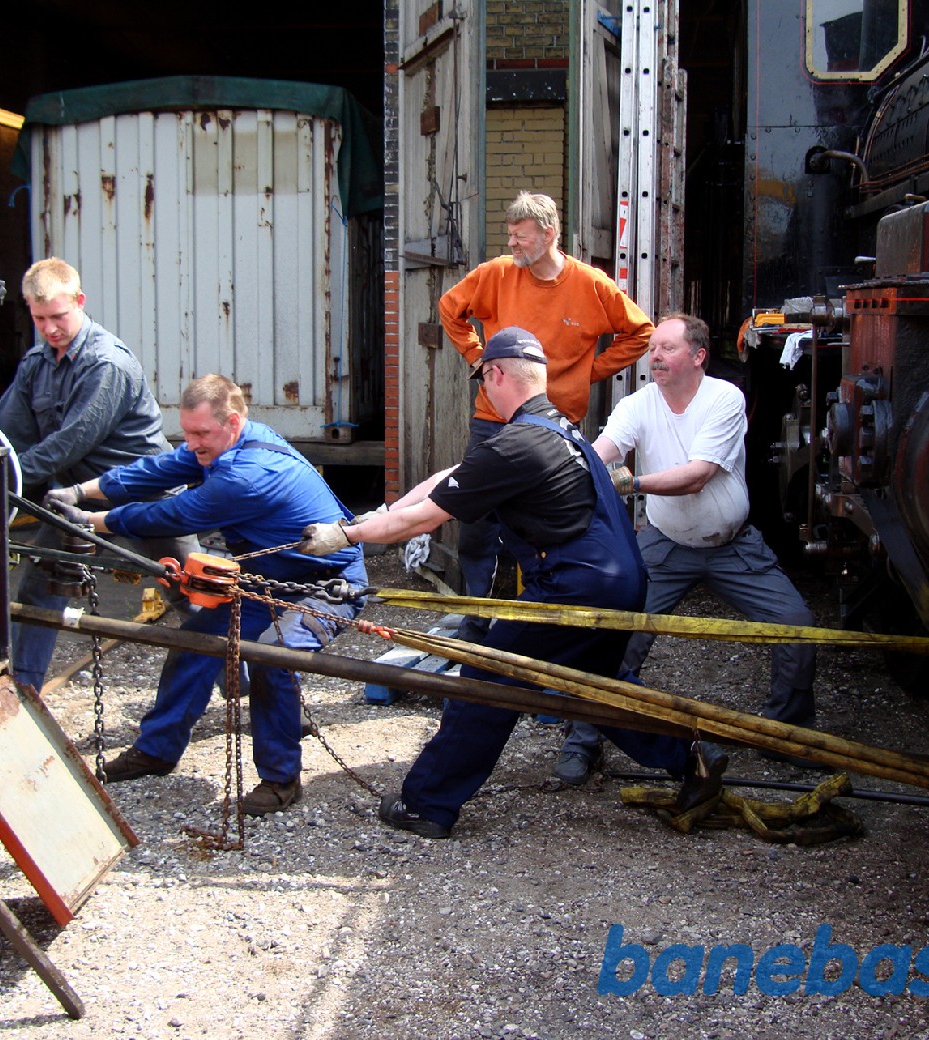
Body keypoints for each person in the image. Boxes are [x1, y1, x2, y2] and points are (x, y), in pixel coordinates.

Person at [298, 328, 725, 839]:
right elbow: (447, 479)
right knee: (591, 690)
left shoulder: (517, 444)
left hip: (576, 589)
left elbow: (423, 522)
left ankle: (426, 804)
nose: (485, 391)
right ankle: (692, 757)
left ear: (496, 374)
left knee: (487, 681)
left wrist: (343, 535)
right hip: (617, 583)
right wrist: (381, 513)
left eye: (485, 381)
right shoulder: (557, 429)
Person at [52, 374, 367, 816]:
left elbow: (174, 513)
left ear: (233, 422)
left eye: (201, 433)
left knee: (273, 656)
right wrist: (80, 492)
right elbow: (160, 469)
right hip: (266, 580)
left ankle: (281, 780)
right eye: (188, 432)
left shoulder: (248, 476)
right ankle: (157, 750)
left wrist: (90, 521)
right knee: (194, 643)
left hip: (326, 587)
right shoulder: (231, 441)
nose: (192, 443)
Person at [555, 313, 817, 783]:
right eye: (652, 348)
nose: (655, 356)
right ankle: (584, 740)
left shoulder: (725, 398)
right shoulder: (638, 404)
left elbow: (698, 475)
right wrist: (566, 465)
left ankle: (787, 732)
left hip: (733, 546)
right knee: (618, 636)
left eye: (667, 348)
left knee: (797, 626)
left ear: (697, 356)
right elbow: (600, 453)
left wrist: (630, 483)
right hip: (666, 545)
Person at [439, 191, 654, 641]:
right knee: (476, 526)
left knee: (546, 528)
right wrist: (479, 357)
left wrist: (586, 374)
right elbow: (449, 309)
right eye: (510, 236)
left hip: (554, 427)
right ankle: (476, 622)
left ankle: (536, 622)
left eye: (521, 237)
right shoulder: (496, 273)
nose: (512, 245)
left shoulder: (591, 285)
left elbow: (640, 332)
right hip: (494, 421)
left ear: (549, 234)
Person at [0, 257, 197, 691]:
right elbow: (8, 429)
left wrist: (6, 478)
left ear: (80, 302)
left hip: (145, 494)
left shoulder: (108, 363)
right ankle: (20, 695)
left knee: (195, 596)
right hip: (76, 498)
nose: (50, 328)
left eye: (59, 316)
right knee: (38, 592)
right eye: (40, 318)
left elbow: (71, 441)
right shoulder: (37, 363)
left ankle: (257, 696)